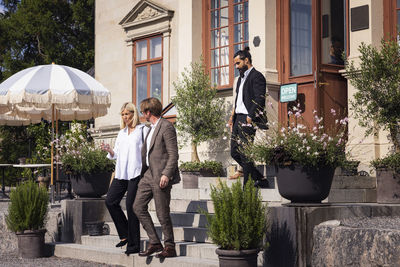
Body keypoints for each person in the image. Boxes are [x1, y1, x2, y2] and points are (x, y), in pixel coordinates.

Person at [133, 97, 180, 258]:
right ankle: (154, 242)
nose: (142, 114)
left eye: (143, 111)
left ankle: (170, 246)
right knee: (137, 206)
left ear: (148, 112)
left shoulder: (166, 127)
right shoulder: (150, 128)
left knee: (162, 213)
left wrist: (167, 174)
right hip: (147, 175)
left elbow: (174, 154)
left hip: (160, 175)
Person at [101, 102, 149, 255]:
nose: (125, 117)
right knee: (110, 201)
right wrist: (110, 150)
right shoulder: (122, 132)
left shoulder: (143, 130)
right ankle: (126, 235)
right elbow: (117, 154)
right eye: (122, 114)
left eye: (127, 114)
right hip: (121, 173)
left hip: (135, 174)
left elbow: (148, 152)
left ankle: (134, 246)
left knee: (131, 207)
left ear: (133, 114)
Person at [228, 47, 268, 188]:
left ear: (247, 60)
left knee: (245, 152)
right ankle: (259, 177)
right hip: (238, 118)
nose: (237, 66)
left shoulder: (257, 76)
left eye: (238, 63)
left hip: (247, 118)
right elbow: (238, 99)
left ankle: (248, 186)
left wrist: (251, 116)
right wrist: (232, 116)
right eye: (235, 64)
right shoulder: (240, 79)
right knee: (234, 152)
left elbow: (260, 98)